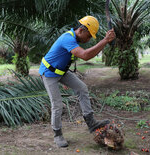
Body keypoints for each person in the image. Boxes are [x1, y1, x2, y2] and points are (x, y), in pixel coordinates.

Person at [39, 15, 116, 147]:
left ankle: (91, 123)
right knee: (57, 104)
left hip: (62, 71)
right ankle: (57, 135)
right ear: (81, 30)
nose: (89, 39)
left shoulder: (74, 39)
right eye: (89, 35)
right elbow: (85, 55)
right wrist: (105, 41)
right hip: (49, 73)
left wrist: (106, 41)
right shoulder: (67, 38)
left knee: (82, 88)